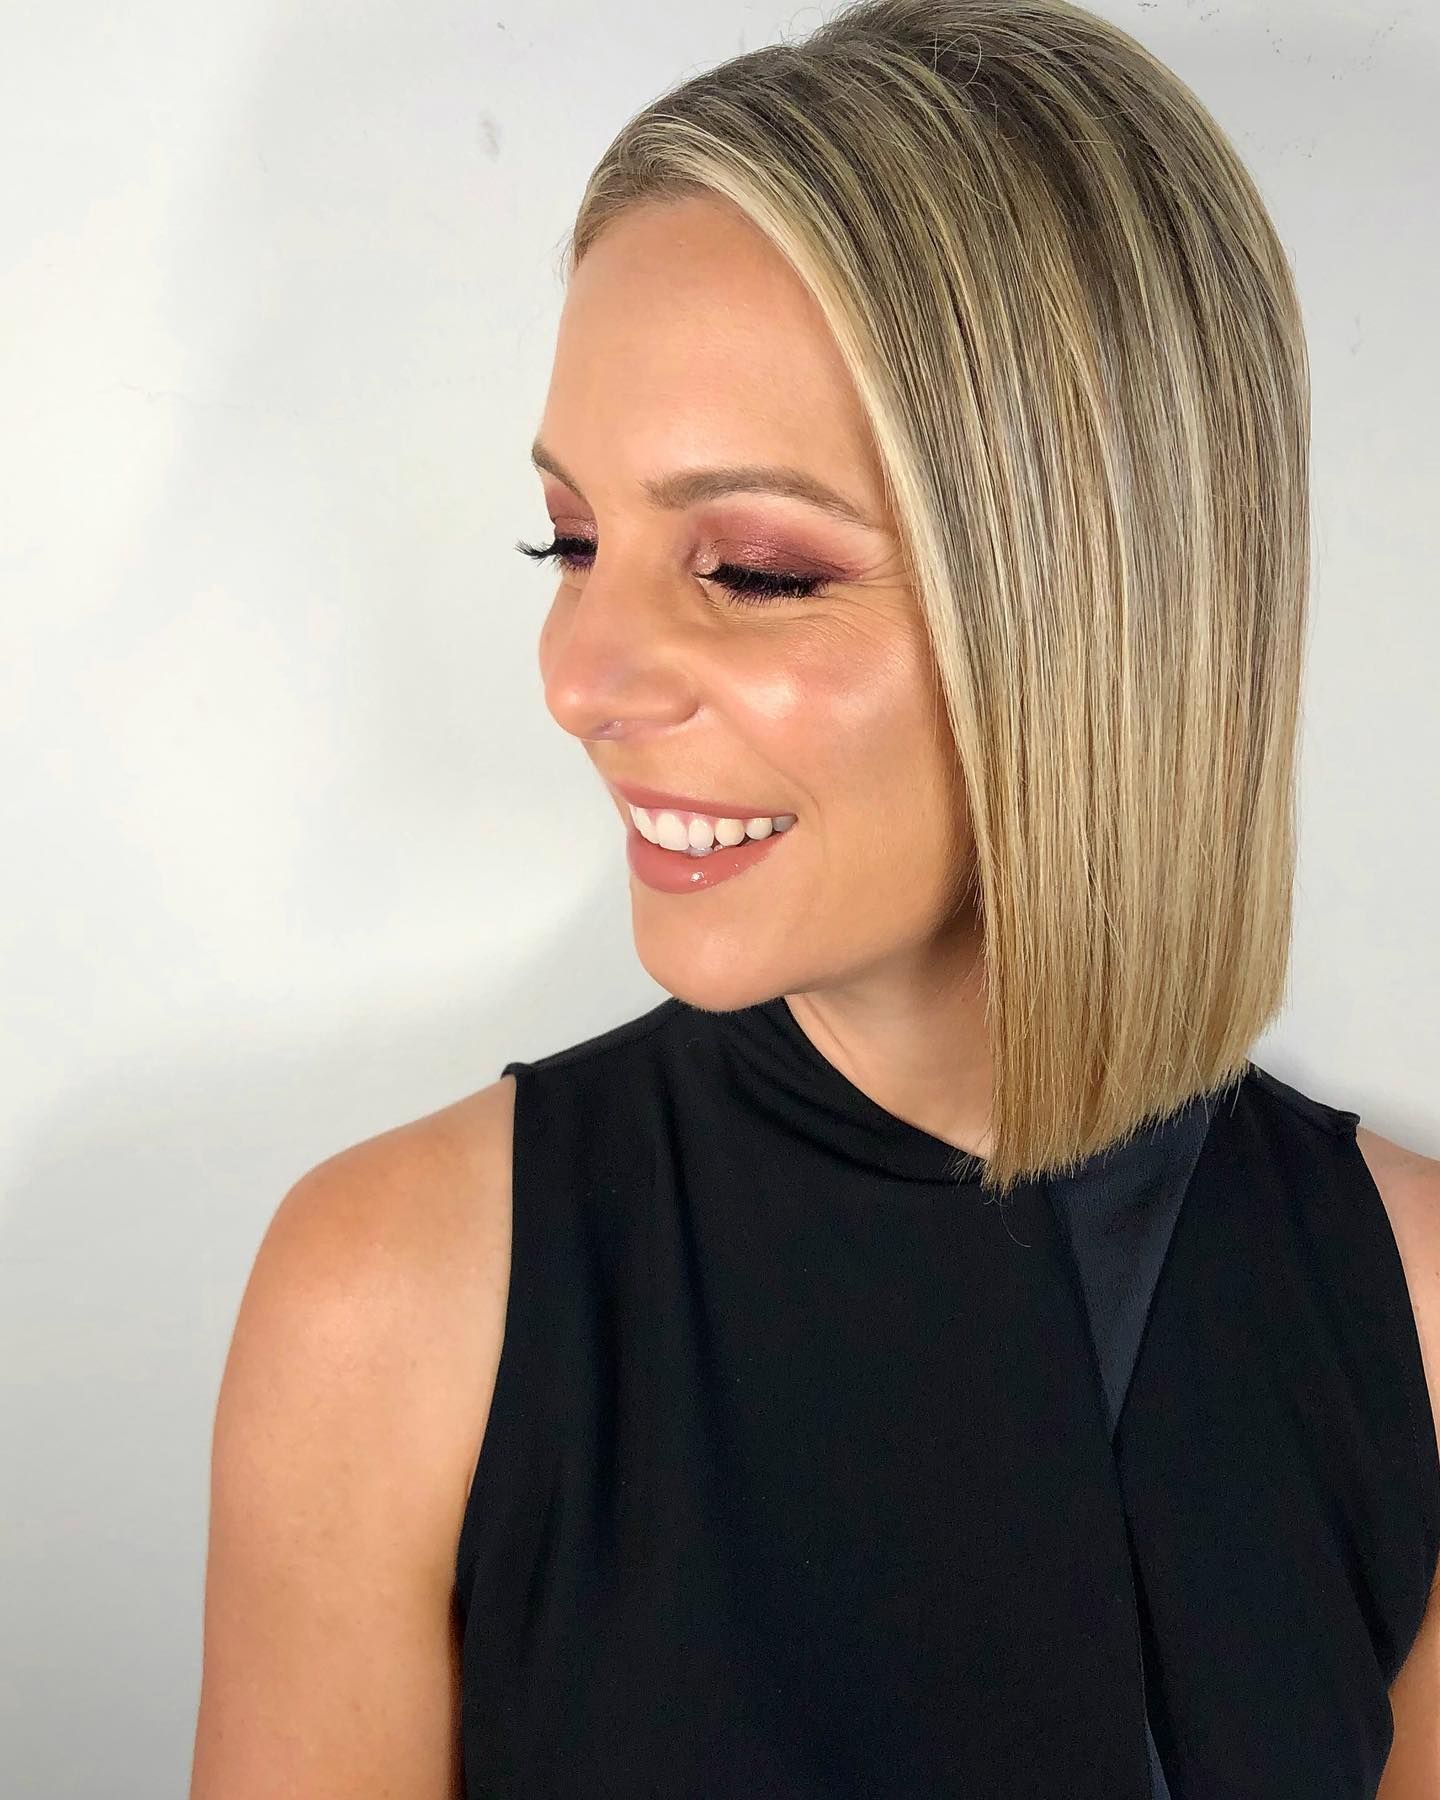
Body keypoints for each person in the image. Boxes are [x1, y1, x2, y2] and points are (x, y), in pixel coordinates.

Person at [187, 1, 1440, 1795]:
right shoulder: (397, 1308)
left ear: (1098, 608)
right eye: (571, 541)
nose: (577, 676)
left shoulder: (1419, 1323)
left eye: (755, 570)